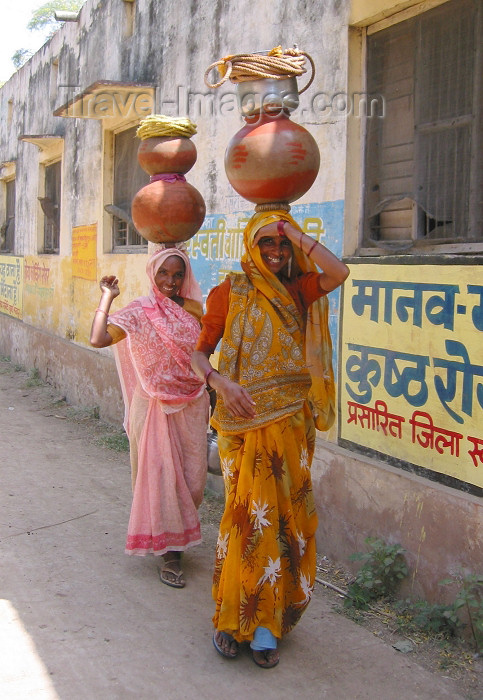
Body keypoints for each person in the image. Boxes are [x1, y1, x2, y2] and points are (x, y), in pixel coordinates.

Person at [191, 210, 349, 667]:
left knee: (285, 520)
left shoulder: (298, 290)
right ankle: (229, 620)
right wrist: (221, 384)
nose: (276, 254)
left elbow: (339, 272)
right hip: (241, 424)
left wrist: (294, 233)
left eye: (282, 247)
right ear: (250, 247)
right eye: (267, 245)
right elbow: (200, 352)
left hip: (290, 426)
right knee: (244, 519)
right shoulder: (228, 292)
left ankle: (266, 624)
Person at [90, 245, 210, 588]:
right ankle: (172, 553)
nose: (170, 281)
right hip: (154, 406)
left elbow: (208, 349)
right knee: (159, 475)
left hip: (192, 404)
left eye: (178, 274)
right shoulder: (140, 311)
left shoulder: (195, 310)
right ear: (151, 274)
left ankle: (178, 532)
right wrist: (107, 298)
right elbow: (98, 338)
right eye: (163, 273)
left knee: (191, 480)